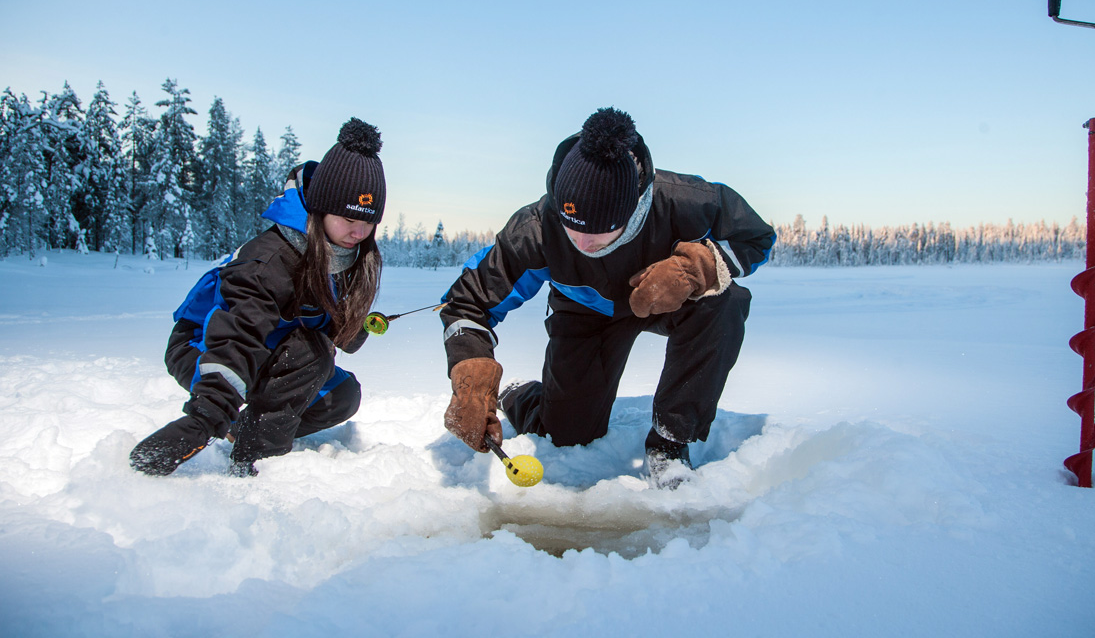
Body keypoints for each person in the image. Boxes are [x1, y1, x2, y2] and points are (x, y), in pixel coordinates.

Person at [440, 107, 774, 488]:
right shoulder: (535, 229)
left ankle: (670, 442)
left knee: (725, 302)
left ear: (632, 209)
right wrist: (470, 373)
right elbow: (466, 303)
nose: (582, 243)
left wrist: (693, 269)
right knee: (568, 434)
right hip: (586, 313)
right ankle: (522, 396)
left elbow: (756, 238)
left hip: (667, 300)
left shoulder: (685, 200)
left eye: (600, 231)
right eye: (571, 226)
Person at [130, 118, 387, 477]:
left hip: (272, 348)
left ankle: (244, 431)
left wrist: (352, 324)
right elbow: (238, 334)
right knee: (310, 352)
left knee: (341, 396)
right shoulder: (268, 261)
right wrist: (207, 416)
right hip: (207, 348)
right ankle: (255, 460)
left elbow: (315, 318)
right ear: (320, 208)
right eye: (348, 219)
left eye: (368, 222)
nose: (358, 232)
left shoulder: (340, 253)